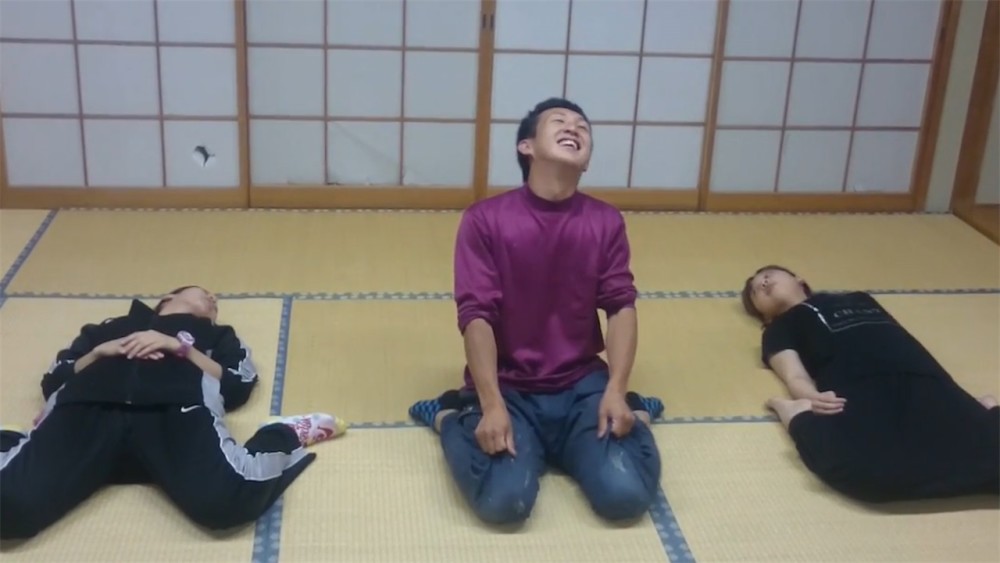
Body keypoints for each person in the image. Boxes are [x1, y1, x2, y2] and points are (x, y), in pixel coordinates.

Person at [408, 98, 664, 525]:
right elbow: (476, 315)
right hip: (509, 387)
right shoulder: (485, 219)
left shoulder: (605, 221)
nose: (574, 128)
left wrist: (617, 390)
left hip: (582, 385)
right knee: (503, 503)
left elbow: (621, 305)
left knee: (626, 497)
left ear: (586, 162)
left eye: (583, 126)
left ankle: (631, 411)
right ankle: (449, 415)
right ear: (526, 146)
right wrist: (491, 404)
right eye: (559, 121)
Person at [0, 286, 347, 540]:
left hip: (177, 411)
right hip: (85, 409)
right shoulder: (106, 329)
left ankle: (283, 432)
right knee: (8, 509)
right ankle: (12, 442)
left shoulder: (216, 334)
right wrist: (100, 353)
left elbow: (238, 383)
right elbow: (54, 378)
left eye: (214, 301)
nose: (213, 300)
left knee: (228, 502)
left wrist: (180, 349)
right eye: (204, 294)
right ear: (168, 297)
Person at [742, 265, 1000, 503]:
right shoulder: (777, 330)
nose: (762, 284)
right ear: (764, 314)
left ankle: (979, 410)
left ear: (799, 279)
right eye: (755, 291)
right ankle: (797, 414)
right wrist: (810, 396)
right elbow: (794, 375)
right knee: (863, 470)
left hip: (923, 376)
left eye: (768, 275)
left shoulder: (859, 299)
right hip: (861, 385)